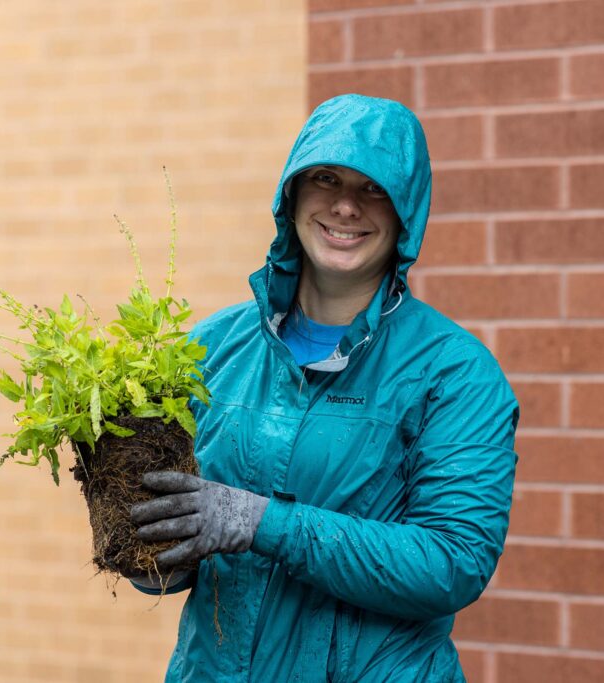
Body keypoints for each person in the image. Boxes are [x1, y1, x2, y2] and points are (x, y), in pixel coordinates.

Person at [129, 93, 519, 682]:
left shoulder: (453, 372)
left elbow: (453, 563)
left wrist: (263, 522)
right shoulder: (210, 348)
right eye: (326, 179)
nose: (344, 206)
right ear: (292, 196)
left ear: (405, 212)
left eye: (373, 189)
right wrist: (146, 541)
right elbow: (175, 559)